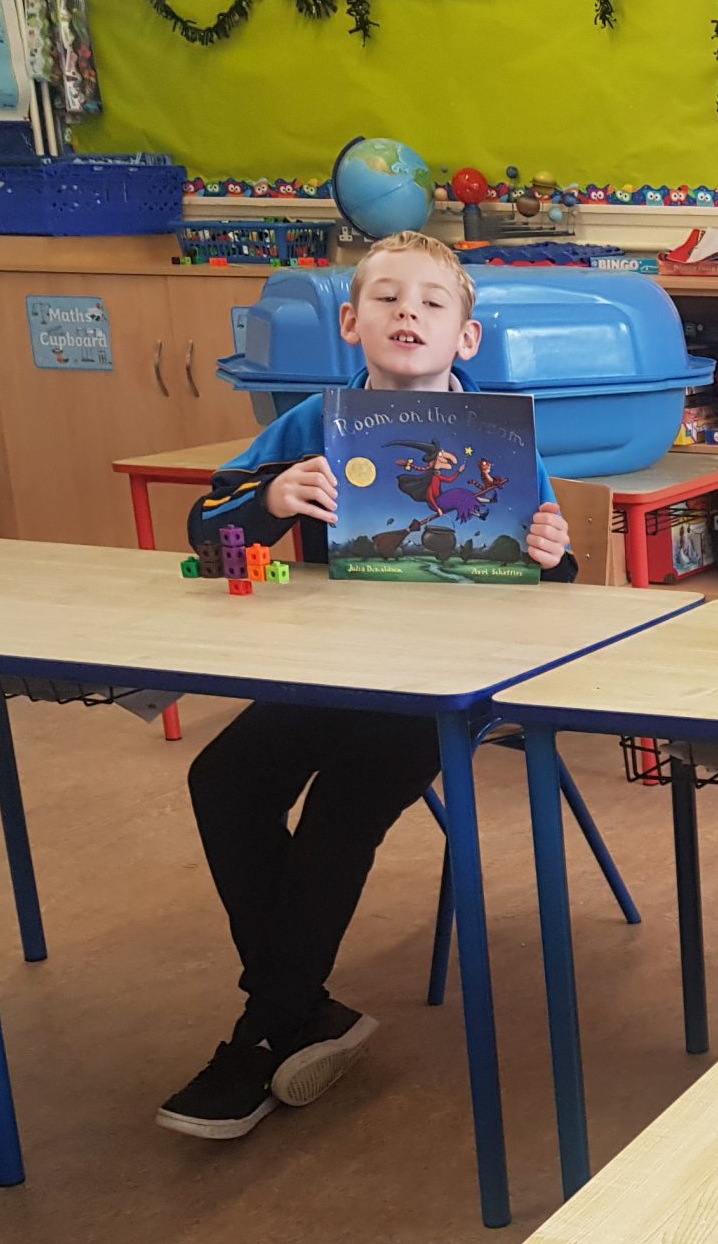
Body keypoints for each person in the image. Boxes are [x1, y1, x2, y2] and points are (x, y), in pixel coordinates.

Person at [158, 232, 575, 1140]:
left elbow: (556, 582)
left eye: (431, 302)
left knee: (344, 803)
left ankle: (265, 1026)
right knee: (223, 779)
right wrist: (270, 500)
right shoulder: (315, 422)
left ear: (466, 336)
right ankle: (295, 1007)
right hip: (332, 665)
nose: (407, 314)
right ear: (351, 323)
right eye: (386, 298)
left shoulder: (498, 436)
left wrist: (553, 555)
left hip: (452, 682)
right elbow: (206, 526)